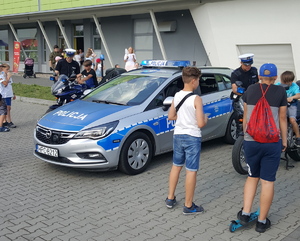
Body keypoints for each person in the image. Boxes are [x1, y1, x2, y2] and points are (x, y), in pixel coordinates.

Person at [237, 63, 287, 233]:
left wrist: (246, 137)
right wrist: (284, 141)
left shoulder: (250, 90)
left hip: (251, 141)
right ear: (275, 77)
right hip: (271, 142)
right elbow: (282, 118)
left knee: (252, 177)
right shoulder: (280, 91)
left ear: (259, 76)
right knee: (267, 181)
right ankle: (261, 222)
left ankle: (245, 213)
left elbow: (245, 115)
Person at [165, 67, 208, 214]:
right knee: (191, 170)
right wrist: (205, 119)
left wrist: (183, 118)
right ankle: (188, 205)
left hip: (178, 135)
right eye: (199, 80)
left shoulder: (176, 95)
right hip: (192, 137)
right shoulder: (197, 99)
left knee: (176, 166)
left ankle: (170, 198)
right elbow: (200, 123)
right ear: (194, 81)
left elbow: (171, 116)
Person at [231, 53, 259, 136]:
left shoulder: (254, 70)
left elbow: (257, 83)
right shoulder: (236, 74)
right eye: (246, 65)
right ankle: (240, 140)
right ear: (241, 63)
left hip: (253, 97)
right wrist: (245, 93)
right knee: (241, 119)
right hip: (241, 98)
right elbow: (235, 89)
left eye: (250, 64)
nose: (248, 67)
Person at [276, 71, 300, 146]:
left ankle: (298, 137)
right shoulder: (278, 85)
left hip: (291, 105)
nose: (283, 84)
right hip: (281, 105)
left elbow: (298, 95)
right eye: (282, 82)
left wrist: (292, 97)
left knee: (292, 120)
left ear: (290, 82)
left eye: (285, 83)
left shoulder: (294, 86)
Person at [0, 64, 16, 128]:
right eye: (7, 69)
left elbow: (10, 85)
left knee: (8, 108)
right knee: (7, 108)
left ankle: (5, 121)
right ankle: (9, 122)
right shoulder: (1, 76)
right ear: (2, 69)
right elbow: (5, 84)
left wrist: (13, 94)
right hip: (4, 95)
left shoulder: (8, 76)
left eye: (8, 69)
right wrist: (8, 77)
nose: (8, 71)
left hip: (9, 94)